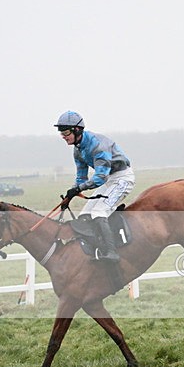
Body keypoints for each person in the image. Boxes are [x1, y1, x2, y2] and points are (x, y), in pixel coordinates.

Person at [55, 111, 135, 262]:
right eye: (61, 134)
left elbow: (100, 177)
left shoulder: (98, 145)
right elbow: (81, 177)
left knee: (99, 211)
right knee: (84, 215)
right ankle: (98, 247)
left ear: (77, 130)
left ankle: (112, 252)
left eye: (65, 133)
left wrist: (78, 189)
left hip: (122, 178)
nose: (63, 136)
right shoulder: (77, 150)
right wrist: (70, 195)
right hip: (109, 180)